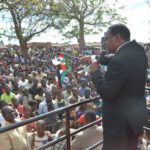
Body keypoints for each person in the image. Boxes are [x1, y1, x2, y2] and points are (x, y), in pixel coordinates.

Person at [86, 24, 148, 150]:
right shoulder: (138, 51)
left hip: (118, 125)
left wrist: (95, 72)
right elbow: (121, 60)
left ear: (117, 37)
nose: (105, 42)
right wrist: (97, 59)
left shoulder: (120, 60)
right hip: (135, 119)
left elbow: (107, 93)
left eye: (107, 39)